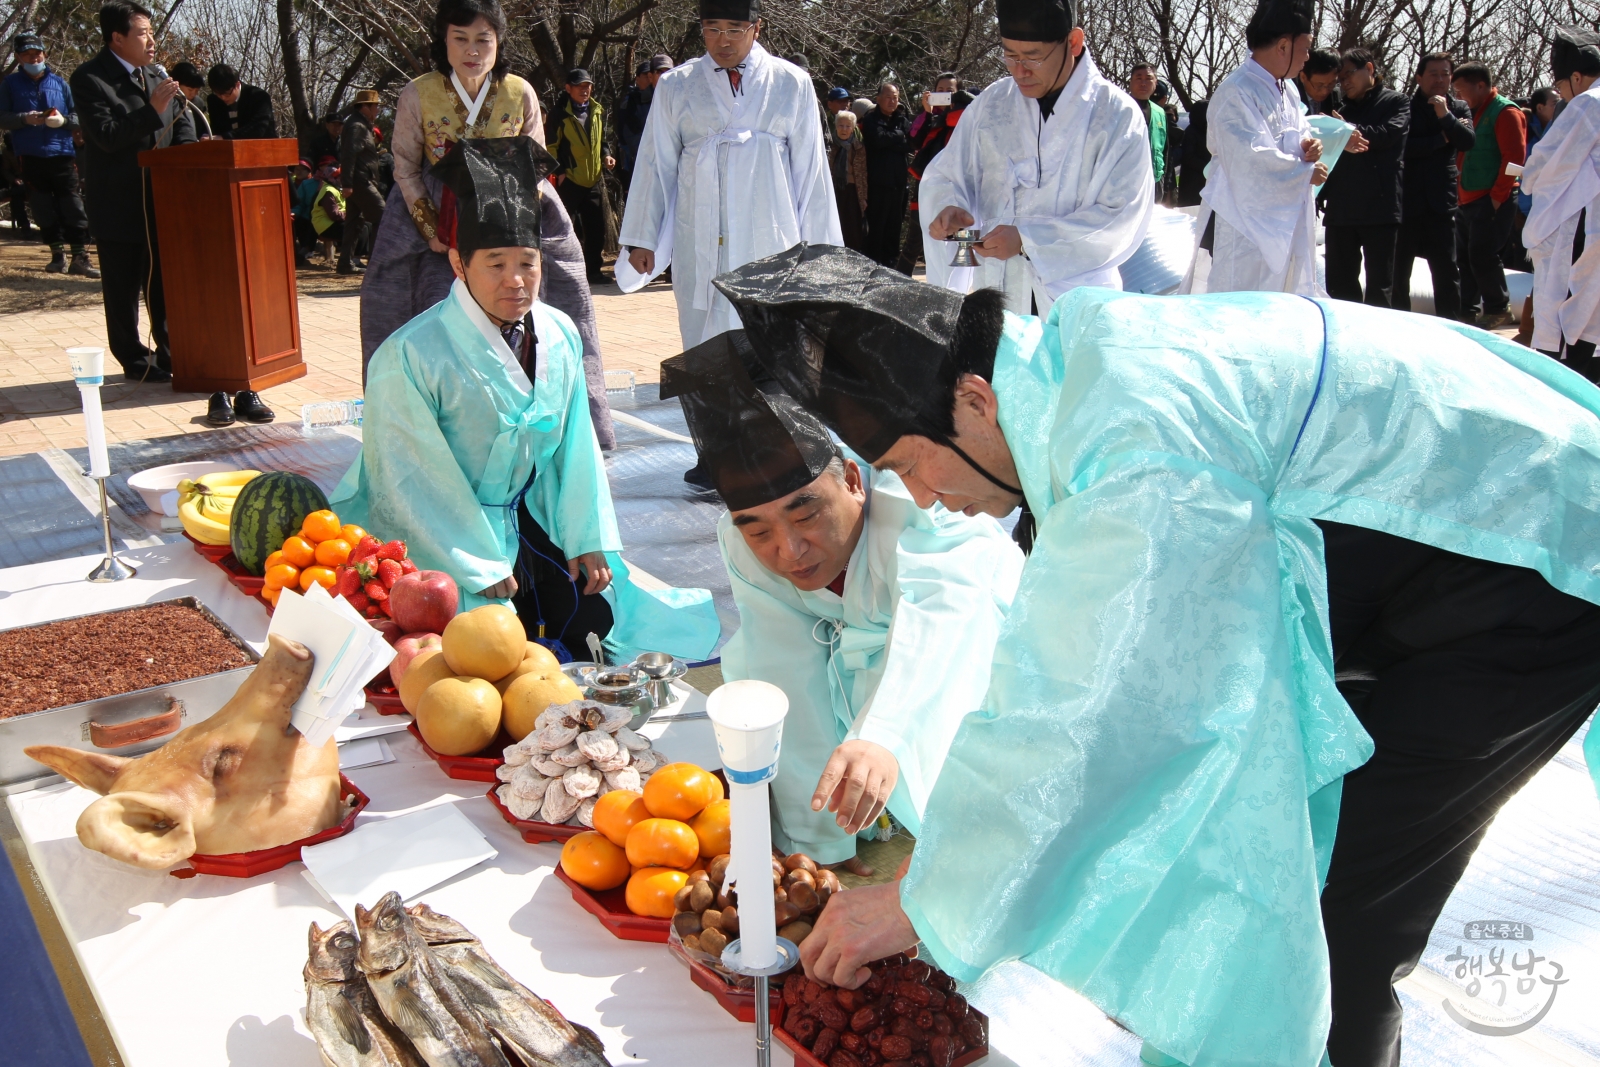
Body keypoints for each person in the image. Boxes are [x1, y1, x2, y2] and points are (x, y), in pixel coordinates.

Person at [719, 241, 1600, 1067]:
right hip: (1409, 563)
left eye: (912, 464)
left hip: (1524, 565)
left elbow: (1078, 708)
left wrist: (926, 894)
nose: (925, 499)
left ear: (976, 401)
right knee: (1254, 825)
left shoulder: (1134, 441)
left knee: (1339, 907)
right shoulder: (1073, 365)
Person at [332, 137, 717, 662]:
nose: (515, 282)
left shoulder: (558, 332)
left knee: (597, 621)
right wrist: (474, 562)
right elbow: (411, 477)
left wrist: (587, 534)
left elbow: (575, 444)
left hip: (534, 511)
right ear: (458, 264)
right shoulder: (410, 355)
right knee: (483, 647)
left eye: (528, 264)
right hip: (448, 532)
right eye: (495, 264)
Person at [659, 329, 1022, 872]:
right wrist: (815, 836)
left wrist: (884, 737)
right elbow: (782, 666)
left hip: (974, 656)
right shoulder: (740, 541)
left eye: (806, 514)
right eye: (759, 531)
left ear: (854, 479)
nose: (789, 549)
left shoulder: (926, 512)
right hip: (868, 672)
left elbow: (943, 627)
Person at [359, 0, 614, 448]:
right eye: (460, 39)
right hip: (440, 206)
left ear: (498, 42)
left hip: (513, 201)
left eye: (483, 39)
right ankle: (422, 439)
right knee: (407, 302)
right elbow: (404, 167)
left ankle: (565, 429)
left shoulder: (520, 92)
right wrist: (433, 229)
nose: (472, 51)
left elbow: (535, 163)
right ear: (444, 41)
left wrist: (512, 228)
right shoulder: (418, 93)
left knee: (563, 293)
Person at [617, 0, 840, 360]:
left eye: (735, 30)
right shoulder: (676, 85)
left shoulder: (791, 83)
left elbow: (812, 174)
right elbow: (655, 163)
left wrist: (821, 255)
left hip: (771, 236)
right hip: (701, 237)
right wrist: (642, 237)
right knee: (707, 346)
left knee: (773, 345)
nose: (723, 40)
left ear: (757, 27)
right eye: (713, 29)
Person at [919, 0, 1153, 311]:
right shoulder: (992, 105)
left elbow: (1121, 216)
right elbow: (947, 174)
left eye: (1033, 57)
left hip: (1074, 295)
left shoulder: (1114, 115)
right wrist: (949, 207)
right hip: (997, 291)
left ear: (1073, 42)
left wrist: (1029, 240)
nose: (1020, 70)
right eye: (1010, 55)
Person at [71, 1, 197, 384]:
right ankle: (133, 357)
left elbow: (180, 120)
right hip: (120, 202)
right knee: (123, 287)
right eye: (143, 33)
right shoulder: (90, 78)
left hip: (162, 199)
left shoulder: (153, 74)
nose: (152, 41)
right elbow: (107, 137)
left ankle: (171, 350)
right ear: (117, 38)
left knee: (162, 281)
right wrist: (149, 108)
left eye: (152, 32)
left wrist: (193, 148)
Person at [1184, 0, 1328, 296]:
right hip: (1246, 226)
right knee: (1243, 301)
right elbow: (1249, 159)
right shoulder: (1235, 91)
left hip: (1285, 220)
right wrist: (1303, 173)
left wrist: (1308, 145)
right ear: (1283, 46)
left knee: (1284, 300)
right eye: (1306, 48)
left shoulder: (1287, 88)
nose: (1307, 57)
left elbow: (1298, 131)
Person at [1521, 25, 1600, 383]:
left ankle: (1562, 386)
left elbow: (1554, 158)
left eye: (1562, 86)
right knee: (1591, 305)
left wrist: (1529, 178)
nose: (1562, 94)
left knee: (1562, 302)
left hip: (1579, 218)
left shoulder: (1588, 103)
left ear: (1577, 76)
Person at [0, 31, 97, 277]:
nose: (34, 59)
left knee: (72, 205)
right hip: (30, 155)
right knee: (42, 207)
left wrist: (64, 121)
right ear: (19, 58)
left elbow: (79, 117)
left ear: (44, 54)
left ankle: (80, 257)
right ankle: (57, 255)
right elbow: (3, 118)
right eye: (28, 55)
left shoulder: (61, 83)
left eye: (38, 54)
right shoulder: (10, 85)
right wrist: (24, 119)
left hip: (62, 154)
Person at [1320, 47, 1408, 306]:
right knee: (1339, 283)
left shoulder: (1396, 101)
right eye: (1341, 78)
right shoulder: (1339, 107)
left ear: (1369, 69)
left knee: (1380, 286)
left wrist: (1345, 129)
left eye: (1349, 74)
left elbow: (1387, 134)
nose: (1345, 82)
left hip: (1379, 207)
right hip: (1341, 207)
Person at [1391, 52, 1473, 320]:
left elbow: (1467, 141)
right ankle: (1399, 324)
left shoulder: (1458, 108)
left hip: (1442, 200)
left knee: (1447, 269)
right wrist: (1441, 138)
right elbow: (1402, 147)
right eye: (1433, 74)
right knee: (1399, 270)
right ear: (1419, 77)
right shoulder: (1403, 106)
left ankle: (1451, 325)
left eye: (1445, 74)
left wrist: (1446, 116)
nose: (1440, 79)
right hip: (1407, 198)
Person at [1452, 60, 1527, 328]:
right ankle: (1468, 310)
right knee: (1465, 257)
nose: (1457, 97)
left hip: (1493, 198)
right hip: (1467, 197)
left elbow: (1515, 158)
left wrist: (1498, 196)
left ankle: (1498, 308)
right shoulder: (1469, 112)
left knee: (1483, 254)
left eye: (1461, 90)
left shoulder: (1505, 111)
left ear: (1481, 85)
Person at [896, 75, 969, 273]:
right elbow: (913, 141)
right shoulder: (929, 118)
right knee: (915, 238)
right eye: (940, 89)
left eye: (949, 90)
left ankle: (961, 289)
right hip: (927, 188)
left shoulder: (969, 115)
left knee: (961, 241)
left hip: (959, 187)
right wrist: (927, 113)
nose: (944, 94)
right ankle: (899, 282)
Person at [548, 68, 613, 284]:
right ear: (568, 88)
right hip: (570, 181)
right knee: (569, 229)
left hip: (593, 179)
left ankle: (593, 271)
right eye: (579, 86)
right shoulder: (559, 113)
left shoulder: (596, 110)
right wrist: (560, 173)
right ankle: (569, 273)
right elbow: (550, 147)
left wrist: (606, 156)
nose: (585, 90)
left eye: (588, 86)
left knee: (596, 229)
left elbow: (602, 140)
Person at [859, 82, 911, 268]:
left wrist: (892, 137)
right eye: (888, 97)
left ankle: (890, 264)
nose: (892, 101)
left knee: (894, 227)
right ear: (878, 98)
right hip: (877, 183)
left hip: (898, 184)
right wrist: (898, 137)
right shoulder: (871, 119)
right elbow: (877, 139)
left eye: (895, 97)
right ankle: (872, 265)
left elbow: (910, 143)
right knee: (876, 228)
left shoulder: (902, 119)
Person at [338, 88, 385, 275]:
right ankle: (375, 263)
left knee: (354, 222)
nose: (377, 110)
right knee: (382, 216)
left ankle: (345, 263)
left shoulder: (359, 124)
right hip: (360, 181)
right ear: (365, 107)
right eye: (375, 106)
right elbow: (350, 155)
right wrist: (347, 183)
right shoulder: (357, 126)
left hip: (360, 180)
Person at [616, 54, 671, 195]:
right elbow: (628, 138)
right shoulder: (634, 102)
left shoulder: (682, 99)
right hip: (644, 170)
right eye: (659, 72)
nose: (665, 76)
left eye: (668, 71)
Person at [829, 109, 868, 252]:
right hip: (834, 189)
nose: (844, 129)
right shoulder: (829, 145)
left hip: (853, 190)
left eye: (847, 126)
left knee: (852, 227)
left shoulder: (858, 147)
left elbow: (863, 173)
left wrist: (863, 198)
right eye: (841, 125)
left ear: (852, 128)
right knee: (836, 224)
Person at [204, 63, 276, 140]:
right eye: (218, 94)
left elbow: (258, 128)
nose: (223, 98)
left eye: (227, 94)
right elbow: (217, 129)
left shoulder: (258, 96)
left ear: (237, 85)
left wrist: (224, 137)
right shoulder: (214, 100)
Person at [1129, 61, 1166, 183]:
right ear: (1131, 81)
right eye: (1138, 78)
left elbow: (1165, 150)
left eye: (1148, 78)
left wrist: (1166, 182)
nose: (1143, 83)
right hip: (1128, 179)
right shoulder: (1121, 108)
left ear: (1155, 83)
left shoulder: (1159, 112)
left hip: (1155, 179)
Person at [1173, 96, 1209, 206]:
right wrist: (1207, 167)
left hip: (1207, 178)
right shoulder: (1191, 132)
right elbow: (1188, 157)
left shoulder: (1209, 131)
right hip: (1193, 181)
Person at [167, 61, 212, 136]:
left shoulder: (198, 104)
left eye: (197, 90)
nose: (193, 94)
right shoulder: (168, 102)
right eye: (190, 90)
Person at [1295, 47, 1341, 114]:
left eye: (1331, 84)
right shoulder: (1290, 95)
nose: (1324, 92)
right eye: (1319, 85)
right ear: (1303, 77)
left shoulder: (1335, 96)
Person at [288, 157, 318, 264]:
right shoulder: (290, 183)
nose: (299, 172)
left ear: (309, 171)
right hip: (298, 213)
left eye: (303, 169)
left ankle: (305, 250)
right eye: (297, 169)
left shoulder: (315, 183)